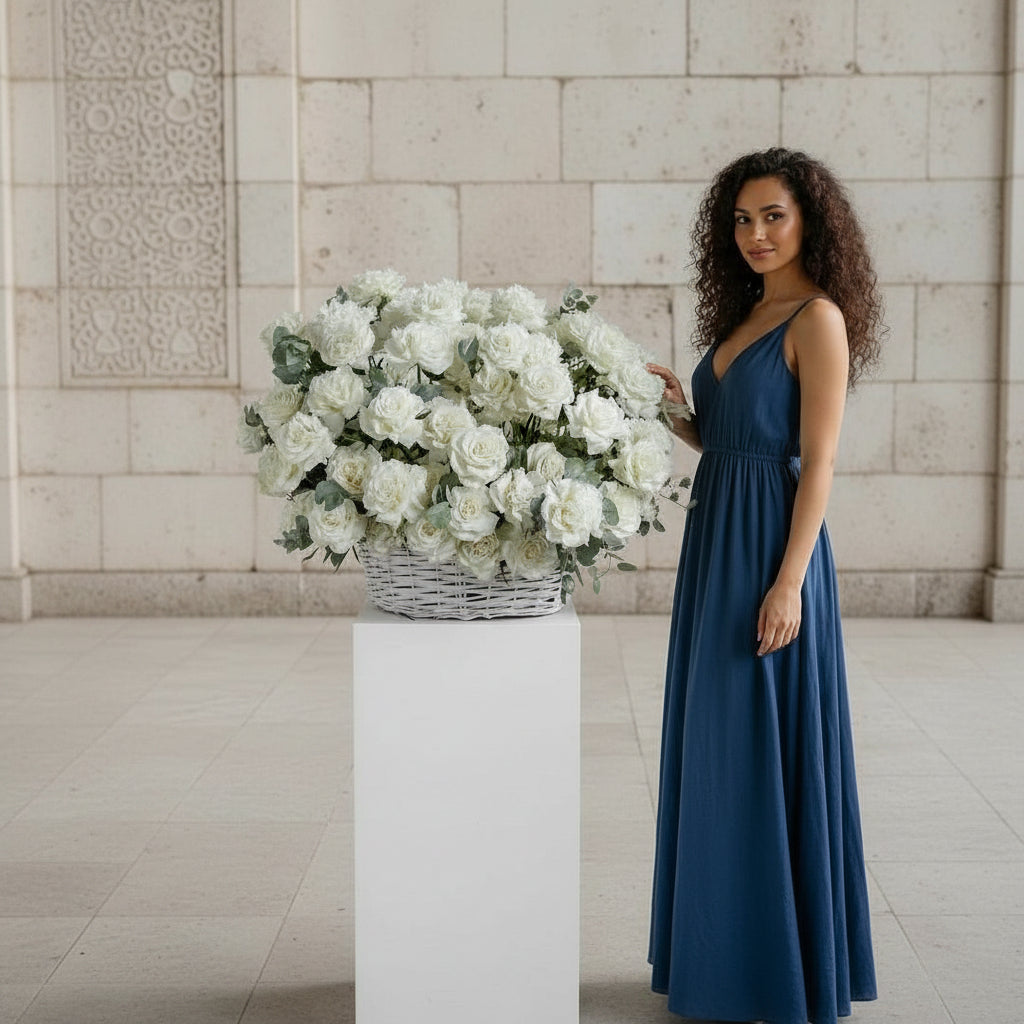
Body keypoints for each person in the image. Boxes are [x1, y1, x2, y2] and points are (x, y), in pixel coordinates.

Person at [645, 147, 881, 1024]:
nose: (756, 234)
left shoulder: (818, 319)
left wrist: (790, 584)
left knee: (763, 747)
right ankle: (725, 952)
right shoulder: (748, 313)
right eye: (742, 219)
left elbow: (816, 462)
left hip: (774, 553)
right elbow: (730, 440)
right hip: (717, 546)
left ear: (809, 218)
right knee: (718, 744)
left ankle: (774, 968)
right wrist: (678, 410)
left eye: (773, 215)